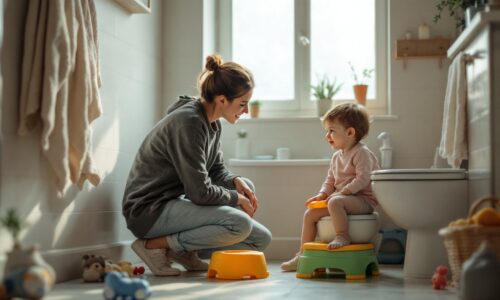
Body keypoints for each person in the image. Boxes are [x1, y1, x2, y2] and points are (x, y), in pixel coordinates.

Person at [122, 54, 272, 276]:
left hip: (176, 203)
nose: (246, 111)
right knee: (239, 224)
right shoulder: (189, 122)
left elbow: (216, 170)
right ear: (222, 100)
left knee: (260, 239)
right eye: (242, 104)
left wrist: (235, 181)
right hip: (149, 211)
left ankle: (182, 251)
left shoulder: (212, 123)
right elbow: (200, 192)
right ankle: (154, 245)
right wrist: (234, 197)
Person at [281, 103, 379, 272]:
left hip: (364, 201)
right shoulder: (336, 157)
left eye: (332, 131)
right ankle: (302, 254)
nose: (327, 136)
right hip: (343, 200)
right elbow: (330, 180)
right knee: (310, 214)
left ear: (350, 132)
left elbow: (363, 179)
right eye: (327, 131)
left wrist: (341, 193)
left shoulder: (361, 153)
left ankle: (343, 236)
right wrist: (321, 195)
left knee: (335, 202)